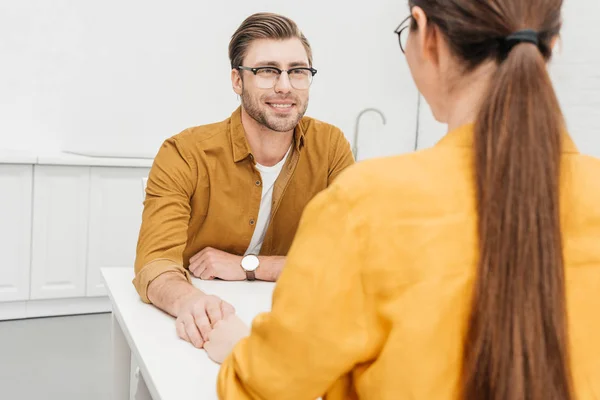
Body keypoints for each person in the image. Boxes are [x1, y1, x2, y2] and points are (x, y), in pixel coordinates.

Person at [204, 0, 600, 399]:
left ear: (426, 35)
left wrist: (237, 349)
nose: (284, 85)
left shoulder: (365, 206)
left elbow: (265, 390)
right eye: (269, 71)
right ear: (553, 42)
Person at [133, 12, 354, 350]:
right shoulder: (184, 153)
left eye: (297, 71)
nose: (284, 85)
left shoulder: (331, 146)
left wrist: (248, 266)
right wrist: (190, 303)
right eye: (266, 71)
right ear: (237, 81)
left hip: (292, 326)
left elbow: (350, 258)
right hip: (206, 322)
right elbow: (155, 263)